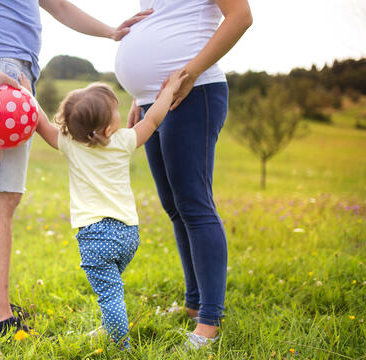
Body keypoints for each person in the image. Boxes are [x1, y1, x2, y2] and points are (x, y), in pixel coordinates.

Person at [0, 0, 152, 336]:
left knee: (3, 192)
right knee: (0, 193)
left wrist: (111, 31)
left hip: (6, 69)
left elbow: (57, 5)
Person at [114, 0, 253, 349]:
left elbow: (241, 16)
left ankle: (209, 320)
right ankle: (193, 305)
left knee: (194, 203)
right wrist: (140, 95)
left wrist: (189, 72)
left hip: (195, 91)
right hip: (154, 100)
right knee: (174, 205)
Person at [28, 70, 187, 348]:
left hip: (96, 236)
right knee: (111, 288)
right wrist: (170, 89)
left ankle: (119, 344)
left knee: (110, 294)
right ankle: (110, 327)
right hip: (128, 235)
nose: (119, 112)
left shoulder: (70, 144)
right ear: (106, 129)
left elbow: (41, 125)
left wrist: (27, 95)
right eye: (115, 111)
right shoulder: (123, 142)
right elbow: (153, 119)